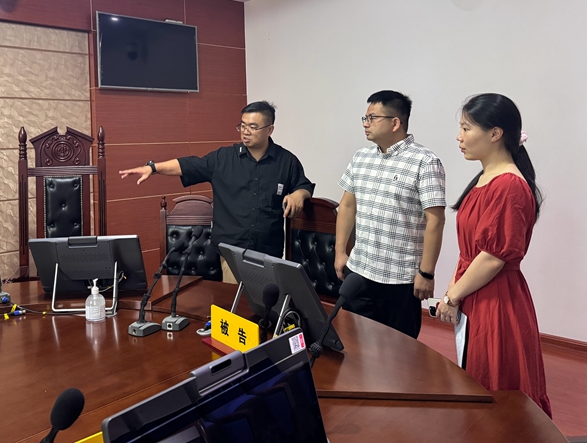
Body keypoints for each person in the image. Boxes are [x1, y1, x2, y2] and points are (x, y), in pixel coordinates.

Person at [436, 93, 551, 417]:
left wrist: (453, 295)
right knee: (477, 377)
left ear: (495, 133)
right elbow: (471, 252)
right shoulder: (486, 178)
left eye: (466, 128)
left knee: (496, 386)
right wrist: (454, 290)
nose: (459, 137)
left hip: (497, 299)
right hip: (477, 292)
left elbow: (492, 257)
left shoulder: (509, 185)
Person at [119, 101, 314, 282]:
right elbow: (189, 165)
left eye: (253, 127)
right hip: (232, 253)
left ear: (269, 129)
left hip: (269, 253)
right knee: (237, 305)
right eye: (242, 126)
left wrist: (299, 194)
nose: (245, 131)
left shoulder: (286, 161)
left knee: (268, 305)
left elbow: (303, 185)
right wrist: (153, 168)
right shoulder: (223, 158)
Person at [334, 90, 446, 338]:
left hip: (401, 278)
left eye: (372, 118)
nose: (366, 124)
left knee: (399, 351)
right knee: (354, 343)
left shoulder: (425, 162)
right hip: (360, 270)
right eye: (365, 118)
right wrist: (340, 252)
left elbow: (435, 221)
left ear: (395, 123)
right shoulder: (361, 157)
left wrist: (426, 273)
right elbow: (348, 206)